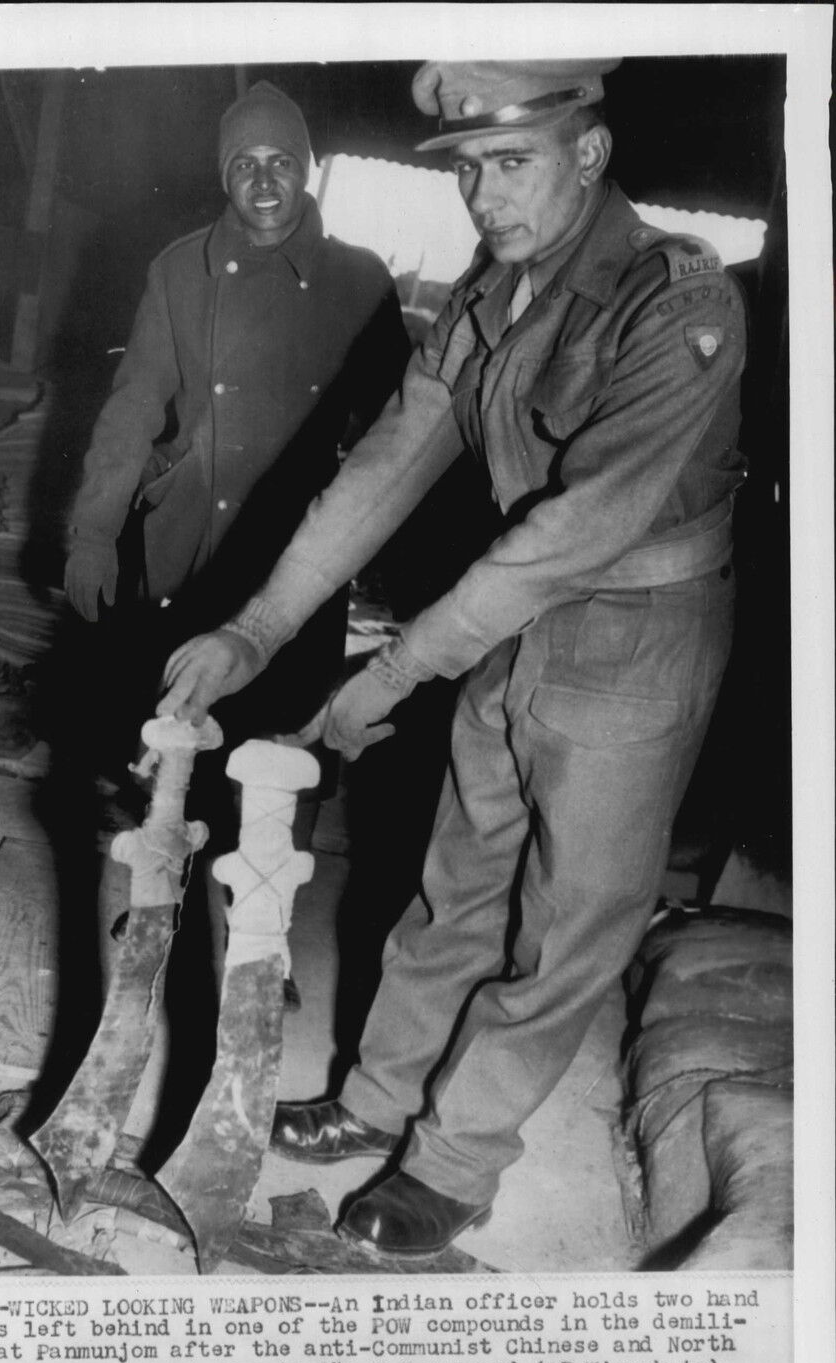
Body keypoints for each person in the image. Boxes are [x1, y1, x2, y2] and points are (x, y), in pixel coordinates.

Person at [158, 59, 748, 1256]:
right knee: (455, 885)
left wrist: (392, 668)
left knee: (567, 917)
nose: (483, 197)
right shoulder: (493, 292)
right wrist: (255, 628)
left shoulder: (675, 298)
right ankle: (376, 1104)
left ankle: (452, 1161)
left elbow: (576, 530)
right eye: (469, 170)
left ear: (588, 152)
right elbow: (384, 464)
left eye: (511, 163)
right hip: (509, 618)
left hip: (631, 639)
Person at [58, 79, 408, 851]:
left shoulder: (359, 280)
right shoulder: (179, 271)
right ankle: (167, 895)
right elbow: (134, 404)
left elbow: (404, 430)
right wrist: (93, 531)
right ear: (224, 175)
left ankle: (263, 920)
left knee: (282, 739)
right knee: (174, 735)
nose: (263, 181)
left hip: (296, 551)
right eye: (244, 164)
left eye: (281, 160)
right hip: (187, 540)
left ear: (308, 169)